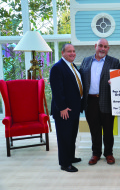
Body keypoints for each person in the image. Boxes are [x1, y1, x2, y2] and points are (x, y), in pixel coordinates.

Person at [79, 38, 119, 165]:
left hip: (107, 100)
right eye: (100, 46)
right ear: (95, 46)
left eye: (106, 46)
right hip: (90, 101)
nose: (103, 48)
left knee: (108, 129)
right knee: (94, 129)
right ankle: (96, 153)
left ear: (108, 48)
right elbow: (80, 79)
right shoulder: (86, 61)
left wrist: (116, 83)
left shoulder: (114, 62)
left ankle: (109, 153)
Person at [50, 43, 82, 172]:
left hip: (73, 109)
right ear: (63, 53)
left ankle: (70, 157)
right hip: (64, 110)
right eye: (69, 51)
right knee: (64, 137)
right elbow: (57, 90)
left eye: (74, 51)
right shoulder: (57, 68)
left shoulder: (71, 66)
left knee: (71, 135)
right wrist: (62, 108)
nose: (72, 53)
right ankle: (65, 163)